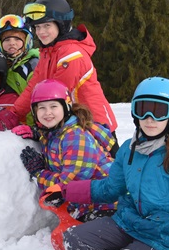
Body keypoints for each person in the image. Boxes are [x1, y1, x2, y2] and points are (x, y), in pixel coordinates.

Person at [49, 77, 169, 250]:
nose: (149, 119)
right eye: (142, 110)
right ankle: (128, 249)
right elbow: (110, 188)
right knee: (73, 241)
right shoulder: (129, 149)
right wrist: (66, 191)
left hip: (165, 235)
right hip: (128, 223)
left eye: (159, 111)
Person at [0, 0, 118, 152]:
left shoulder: (71, 55)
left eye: (46, 26)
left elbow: (55, 97)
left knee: (103, 167)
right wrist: (13, 114)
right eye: (37, 27)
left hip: (94, 127)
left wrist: (37, 130)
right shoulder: (48, 53)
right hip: (72, 127)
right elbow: (33, 87)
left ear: (61, 25)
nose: (41, 32)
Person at [14, 79, 116, 221]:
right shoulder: (56, 132)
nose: (47, 112)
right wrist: (39, 134)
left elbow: (70, 186)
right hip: (89, 204)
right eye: (41, 108)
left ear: (66, 107)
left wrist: (39, 172)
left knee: (72, 235)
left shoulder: (75, 137)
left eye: (53, 106)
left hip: (109, 204)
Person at [0, 14, 39, 95]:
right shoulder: (2, 66)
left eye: (17, 39)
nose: (12, 43)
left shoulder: (33, 65)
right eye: (7, 40)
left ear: (27, 41)